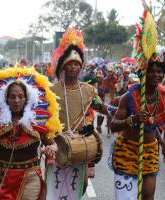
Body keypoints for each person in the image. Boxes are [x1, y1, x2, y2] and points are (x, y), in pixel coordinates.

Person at [0, 67, 62, 200]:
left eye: (20, 96)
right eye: (12, 97)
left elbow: (53, 144)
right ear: (6, 99)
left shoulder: (37, 121)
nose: (17, 101)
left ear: (26, 98)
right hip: (1, 178)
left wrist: (51, 149)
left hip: (29, 177)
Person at [46, 28, 116, 200]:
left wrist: (115, 112)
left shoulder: (88, 90)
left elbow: (101, 107)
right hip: (57, 144)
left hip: (80, 145)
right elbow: (42, 114)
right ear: (63, 65)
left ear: (81, 66)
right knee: (54, 187)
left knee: (79, 185)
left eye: (76, 64)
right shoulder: (51, 90)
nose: (73, 67)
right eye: (69, 63)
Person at [110, 54, 165, 200]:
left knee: (148, 195)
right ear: (143, 73)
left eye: (160, 71)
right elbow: (113, 125)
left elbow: (152, 126)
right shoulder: (129, 96)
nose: (156, 75)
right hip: (127, 152)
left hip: (150, 152)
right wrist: (132, 120)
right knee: (126, 198)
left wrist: (162, 142)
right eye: (152, 71)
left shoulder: (162, 95)